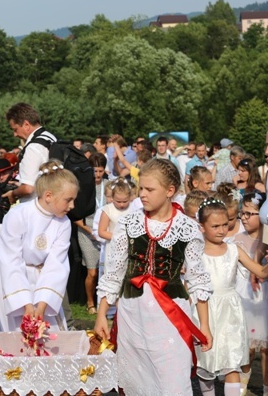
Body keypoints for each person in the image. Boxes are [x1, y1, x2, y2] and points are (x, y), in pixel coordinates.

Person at [94, 159, 213, 395]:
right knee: (137, 383)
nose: (142, 195)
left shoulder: (187, 228)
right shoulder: (128, 223)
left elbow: (198, 279)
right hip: (132, 314)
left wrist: (205, 326)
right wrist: (101, 316)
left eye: (150, 189)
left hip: (170, 317)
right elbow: (114, 274)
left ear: (170, 191)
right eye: (141, 188)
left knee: (173, 382)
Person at [0, 160, 78, 332]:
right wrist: (25, 304)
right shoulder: (18, 215)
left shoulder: (64, 222)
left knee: (49, 331)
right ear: (48, 196)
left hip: (42, 275)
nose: (72, 206)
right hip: (10, 275)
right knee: (15, 333)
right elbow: (11, 260)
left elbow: (56, 265)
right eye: (68, 200)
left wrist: (42, 305)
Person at [194, 198, 268, 396]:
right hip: (204, 312)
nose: (221, 230)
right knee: (205, 364)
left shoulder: (234, 250)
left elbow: (261, 272)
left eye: (225, 224)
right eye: (215, 226)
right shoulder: (196, 253)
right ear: (202, 227)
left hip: (231, 314)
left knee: (232, 363)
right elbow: (188, 287)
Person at [234, 191, 268, 395]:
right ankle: (243, 384)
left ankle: (266, 387)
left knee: (266, 348)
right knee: (246, 345)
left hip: (264, 299)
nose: (244, 218)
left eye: (250, 213)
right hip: (244, 297)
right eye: (242, 213)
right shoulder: (238, 240)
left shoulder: (266, 239)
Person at [75, 153, 108, 315]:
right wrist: (92, 232)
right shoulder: (83, 187)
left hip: (105, 234)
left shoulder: (109, 186)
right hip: (87, 232)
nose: (97, 175)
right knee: (92, 271)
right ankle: (90, 302)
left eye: (100, 171)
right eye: (94, 171)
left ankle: (106, 302)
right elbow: (75, 217)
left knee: (107, 270)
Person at [3, 103, 56, 204]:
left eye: (15, 129)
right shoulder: (50, 137)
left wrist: (13, 194)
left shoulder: (33, 148)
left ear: (26, 125)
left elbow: (28, 189)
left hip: (38, 209)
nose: (15, 134)